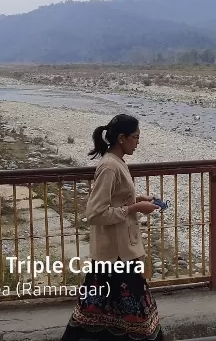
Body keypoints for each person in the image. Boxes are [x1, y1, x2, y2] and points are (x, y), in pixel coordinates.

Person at [61, 114, 163, 341]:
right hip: (116, 255)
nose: (138, 141)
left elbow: (117, 199)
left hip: (120, 251)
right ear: (121, 138)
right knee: (129, 310)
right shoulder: (109, 167)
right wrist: (135, 208)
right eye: (135, 137)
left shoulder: (116, 163)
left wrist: (139, 199)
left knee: (104, 310)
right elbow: (96, 213)